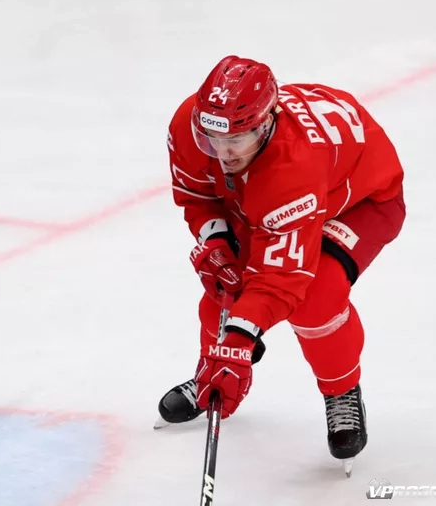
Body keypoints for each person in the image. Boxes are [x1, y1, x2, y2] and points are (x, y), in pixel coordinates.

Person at [156, 55, 405, 471]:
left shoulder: (293, 165)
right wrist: (217, 244)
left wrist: (240, 341)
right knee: (225, 284)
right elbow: (197, 196)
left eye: (237, 140)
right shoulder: (189, 125)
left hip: (359, 202)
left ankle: (341, 390)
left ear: (267, 123)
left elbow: (279, 281)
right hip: (269, 199)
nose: (222, 152)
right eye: (212, 138)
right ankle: (213, 373)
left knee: (316, 296)